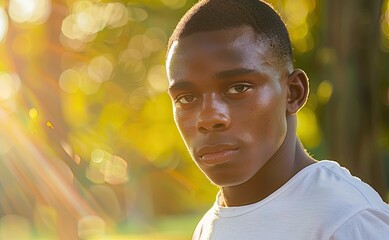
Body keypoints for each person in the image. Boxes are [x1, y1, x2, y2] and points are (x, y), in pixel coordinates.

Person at [165, 0, 389, 239]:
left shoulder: (347, 220)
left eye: (238, 88)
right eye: (186, 98)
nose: (209, 118)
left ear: (293, 93)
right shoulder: (208, 227)